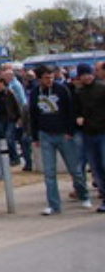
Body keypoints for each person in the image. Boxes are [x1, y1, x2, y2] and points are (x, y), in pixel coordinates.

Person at [30, 65, 91, 215]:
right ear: (39, 79)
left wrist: (70, 131)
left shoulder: (62, 90)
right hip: (45, 134)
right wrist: (35, 136)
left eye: (51, 77)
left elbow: (70, 110)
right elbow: (33, 114)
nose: (49, 80)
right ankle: (54, 204)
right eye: (46, 77)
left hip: (63, 133)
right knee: (49, 172)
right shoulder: (35, 93)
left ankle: (83, 194)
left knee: (74, 169)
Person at [72, 62, 105, 212]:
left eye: (88, 73)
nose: (86, 77)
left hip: (102, 132)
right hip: (88, 134)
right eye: (83, 75)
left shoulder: (102, 89)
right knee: (96, 168)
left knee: (103, 165)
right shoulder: (79, 93)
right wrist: (78, 117)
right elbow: (76, 111)